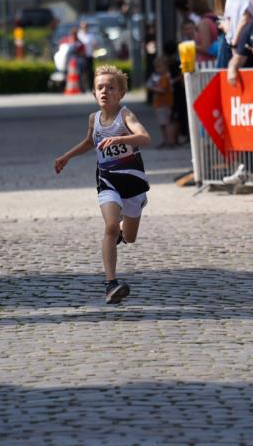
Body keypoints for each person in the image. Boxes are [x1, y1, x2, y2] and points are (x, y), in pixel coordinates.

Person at [53, 65, 151, 305]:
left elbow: (145, 138)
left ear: (121, 93)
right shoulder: (93, 119)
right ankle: (111, 283)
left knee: (129, 236)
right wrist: (66, 156)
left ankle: (121, 231)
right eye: (100, 88)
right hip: (107, 180)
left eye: (110, 87)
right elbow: (90, 142)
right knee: (109, 226)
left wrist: (120, 138)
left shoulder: (126, 116)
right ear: (94, 94)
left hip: (133, 183)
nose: (105, 91)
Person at [147, 56, 174, 148]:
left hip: (164, 103)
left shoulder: (165, 77)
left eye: (160, 67)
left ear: (166, 67)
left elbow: (162, 90)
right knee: (162, 123)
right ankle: (166, 140)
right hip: (159, 104)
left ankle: (170, 141)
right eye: (157, 67)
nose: (158, 69)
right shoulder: (160, 77)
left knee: (166, 123)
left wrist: (152, 87)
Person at [77, 20, 97, 90]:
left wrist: (94, 54)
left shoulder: (91, 35)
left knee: (90, 72)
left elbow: (94, 45)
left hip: (89, 55)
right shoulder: (79, 35)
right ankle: (81, 87)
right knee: (81, 72)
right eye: (83, 27)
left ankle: (91, 87)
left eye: (86, 26)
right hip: (81, 57)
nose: (85, 28)